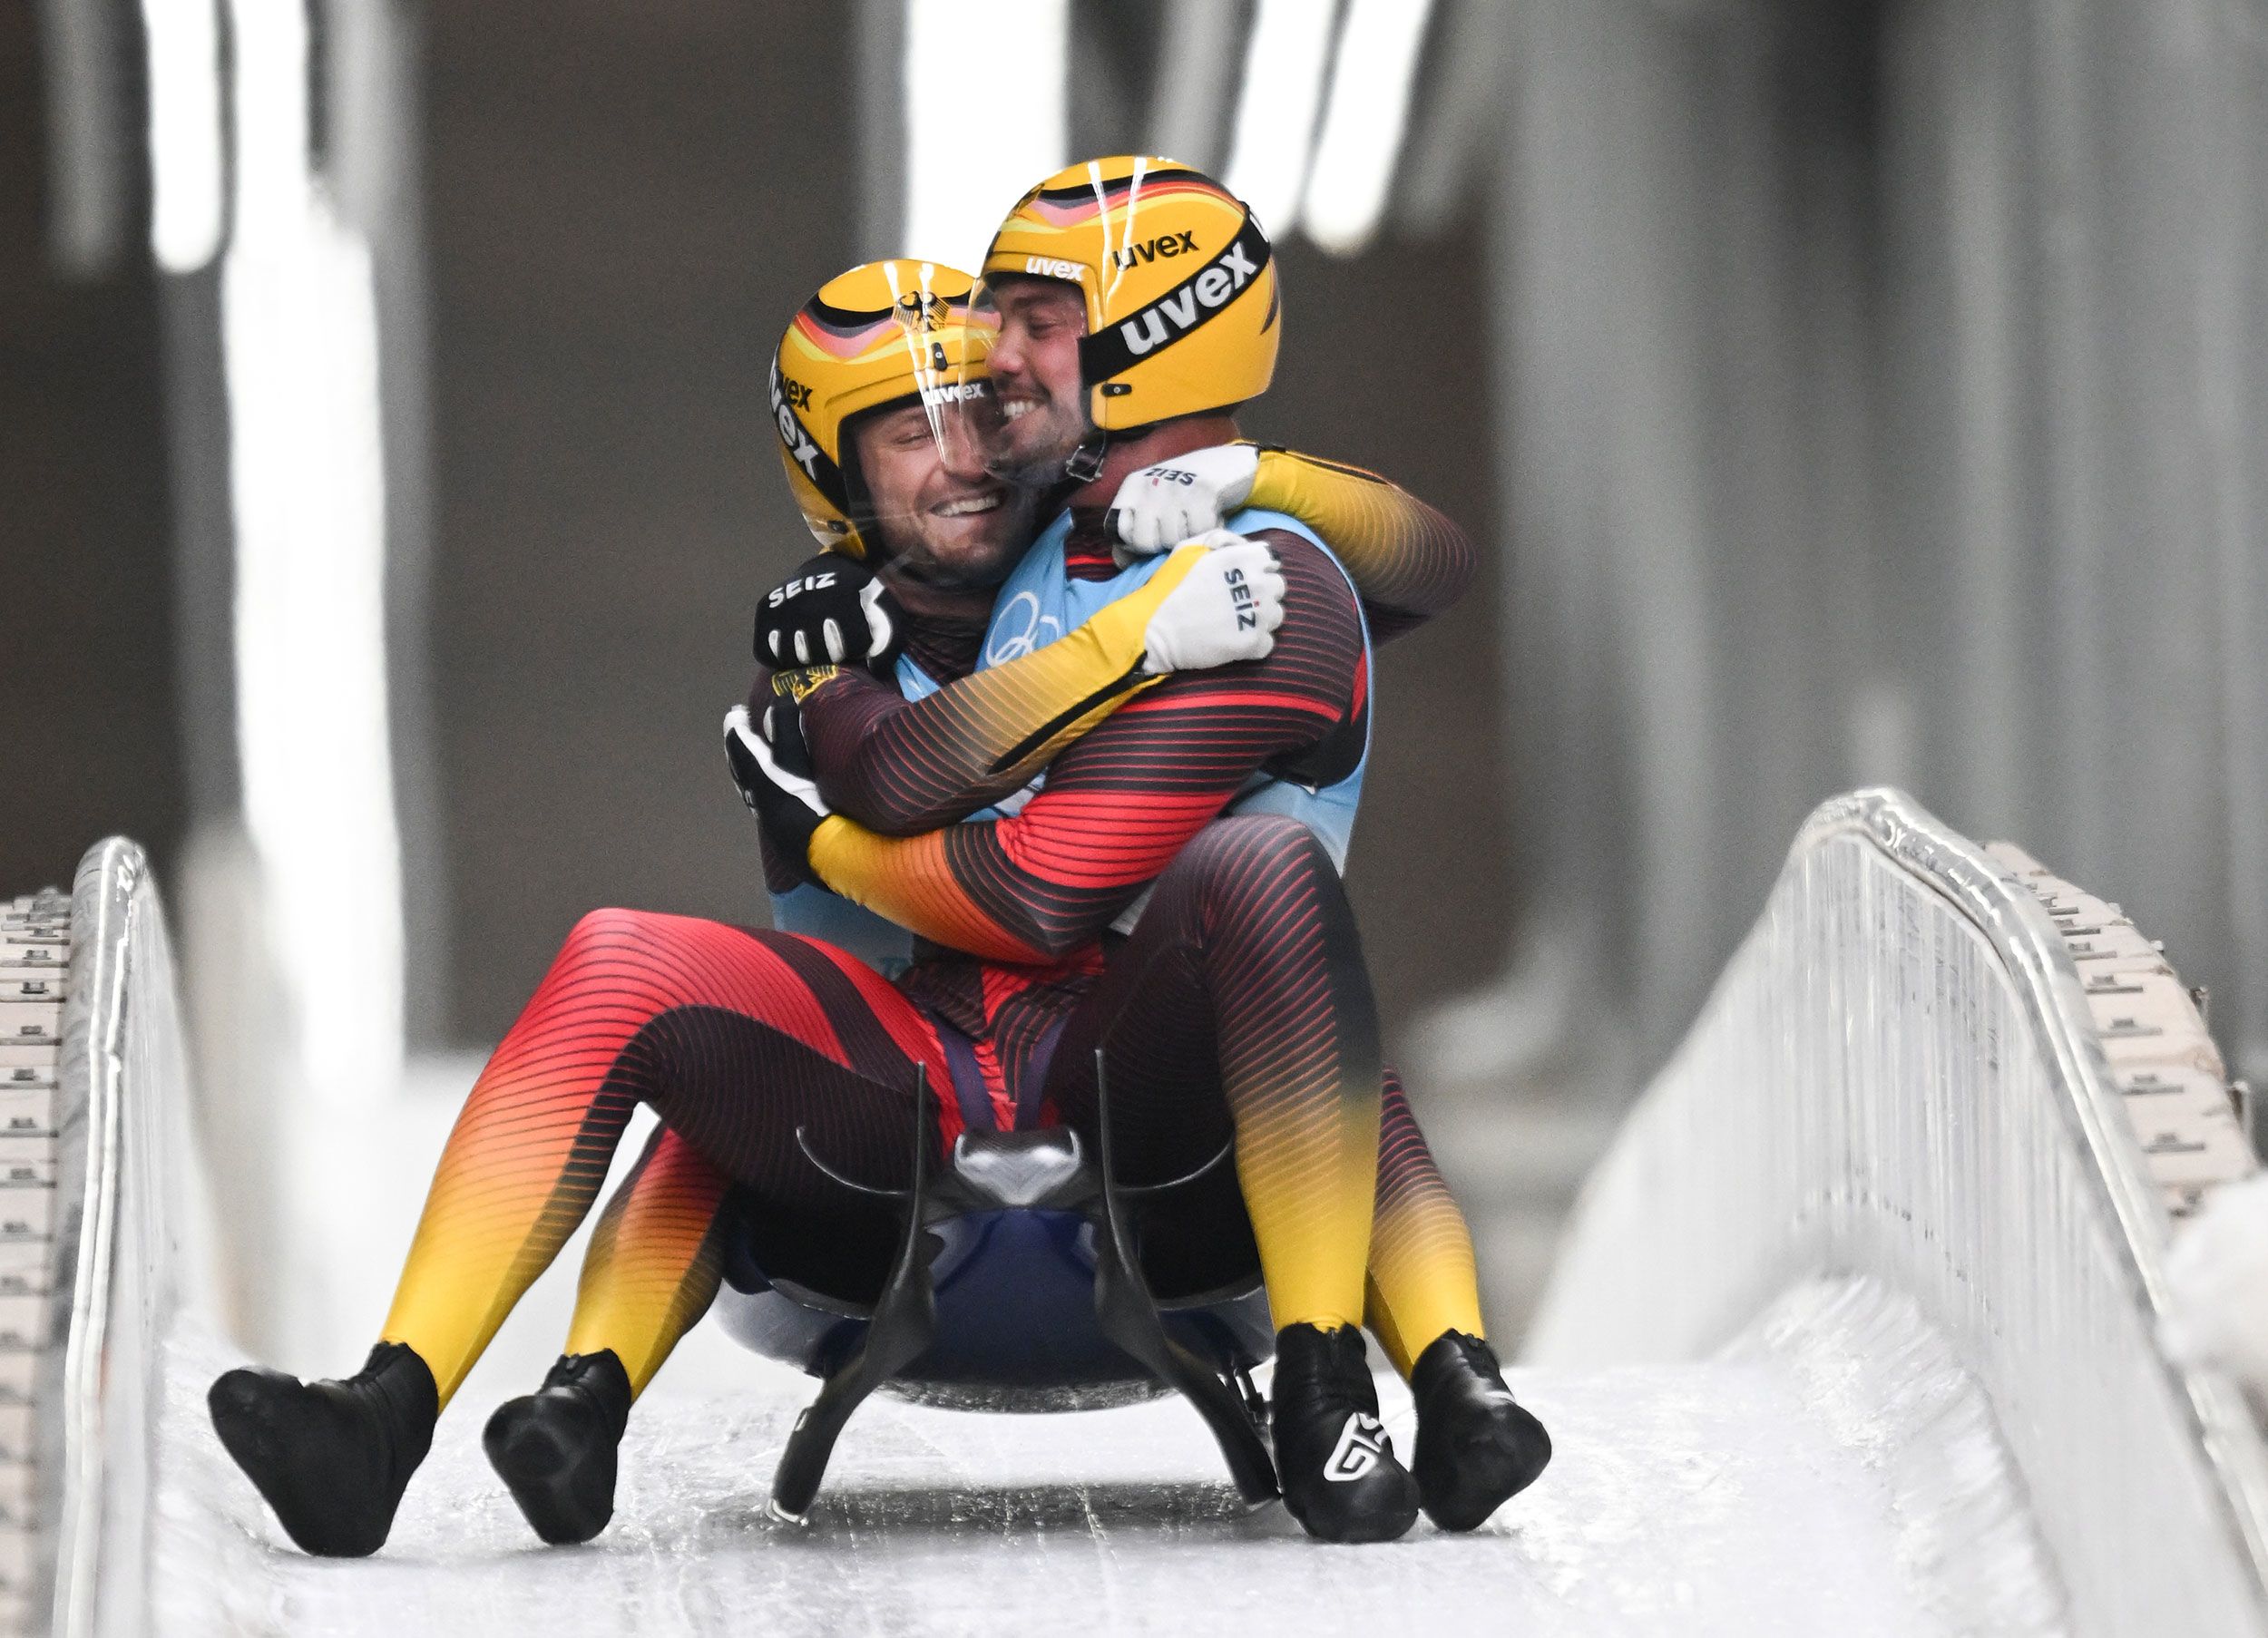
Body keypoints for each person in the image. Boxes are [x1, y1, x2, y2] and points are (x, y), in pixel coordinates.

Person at [730, 159, 1547, 1542]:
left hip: (1137, 1034)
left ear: (1155, 333)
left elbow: (1032, 882)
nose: (996, 358)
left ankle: (1362, 1373)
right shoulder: (1050, 533)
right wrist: (845, 578)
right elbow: (939, 548)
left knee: (1270, 920)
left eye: (1037, 321)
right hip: (1096, 1028)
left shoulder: (1268, 573)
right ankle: (1459, 1378)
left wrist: (829, 835)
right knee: (1348, 1055)